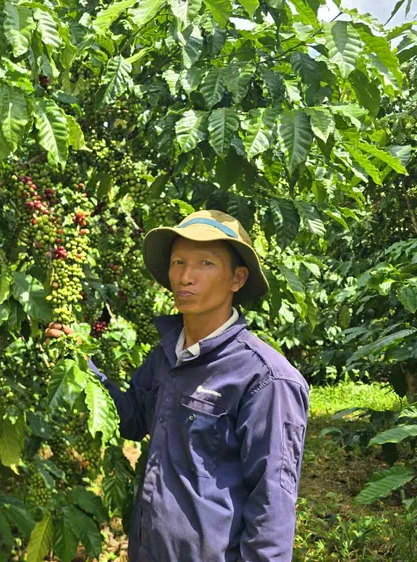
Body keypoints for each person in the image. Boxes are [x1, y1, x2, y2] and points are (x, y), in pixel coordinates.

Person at [47, 210, 309, 562]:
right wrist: (82, 364)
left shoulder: (265, 378)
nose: (185, 277)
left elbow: (272, 506)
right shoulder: (167, 354)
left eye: (205, 263)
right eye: (178, 262)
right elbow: (132, 419)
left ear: (237, 278)